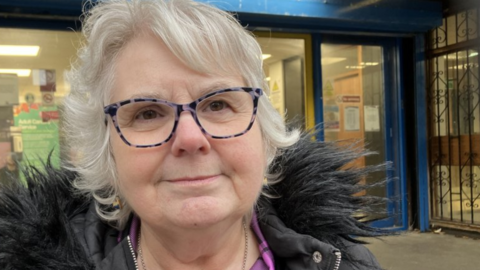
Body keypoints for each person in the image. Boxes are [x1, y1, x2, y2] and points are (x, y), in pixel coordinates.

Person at [0, 0, 389, 269]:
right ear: (108, 153)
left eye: (218, 104)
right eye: (148, 112)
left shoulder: (345, 263)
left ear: (264, 134)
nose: (189, 138)